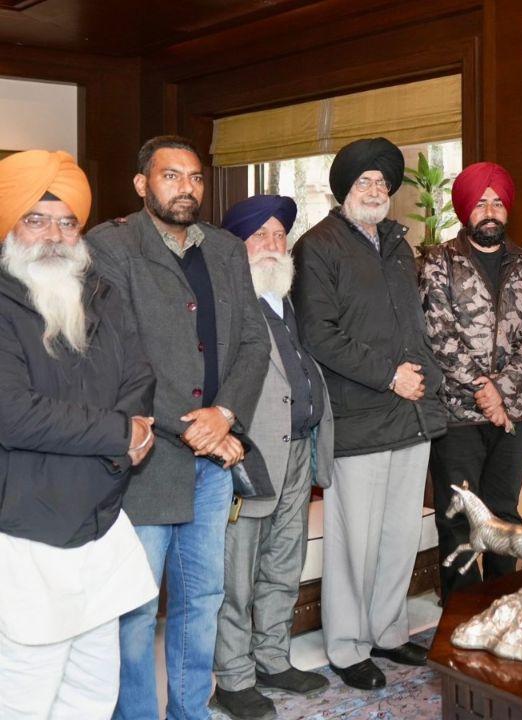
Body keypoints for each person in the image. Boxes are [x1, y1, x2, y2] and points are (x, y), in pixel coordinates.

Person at [85, 135, 271, 720]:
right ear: (142, 184)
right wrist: (194, 424)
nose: (186, 187)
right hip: (146, 462)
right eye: (171, 176)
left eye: (195, 177)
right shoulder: (110, 246)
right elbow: (117, 352)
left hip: (212, 461)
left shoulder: (226, 249)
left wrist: (225, 415)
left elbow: (253, 343)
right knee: (137, 609)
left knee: (202, 598)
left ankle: (191, 711)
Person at [0, 150, 157, 720]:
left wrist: (131, 433)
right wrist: (119, 433)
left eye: (67, 222)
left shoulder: (99, 292)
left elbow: (139, 375)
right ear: (10, 227)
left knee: (93, 685)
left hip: (100, 515)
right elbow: (13, 413)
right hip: (26, 527)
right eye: (36, 220)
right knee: (27, 690)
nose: (54, 236)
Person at [292, 137, 447, 690]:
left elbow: (414, 326)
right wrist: (389, 375)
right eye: (365, 181)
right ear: (345, 190)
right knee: (354, 543)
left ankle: (387, 631)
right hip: (358, 416)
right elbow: (318, 334)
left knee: (398, 536)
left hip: (410, 414)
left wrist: (428, 379)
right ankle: (347, 645)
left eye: (383, 182)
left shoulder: (399, 246)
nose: (376, 189)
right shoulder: (318, 246)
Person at [211, 195, 332, 719]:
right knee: (236, 574)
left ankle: (273, 660)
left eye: (279, 235)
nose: (272, 245)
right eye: (259, 236)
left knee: (284, 564)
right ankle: (234, 679)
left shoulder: (285, 299)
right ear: (238, 247)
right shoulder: (227, 304)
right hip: (250, 457)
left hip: (298, 451)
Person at [422, 161, 522, 603]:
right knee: (457, 520)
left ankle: (500, 604)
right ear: (465, 210)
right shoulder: (439, 262)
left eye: (497, 202)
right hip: (457, 416)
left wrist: (502, 392)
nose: (490, 211)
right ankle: (461, 610)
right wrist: (483, 390)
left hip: (512, 414)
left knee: (504, 516)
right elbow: (439, 335)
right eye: (480, 203)